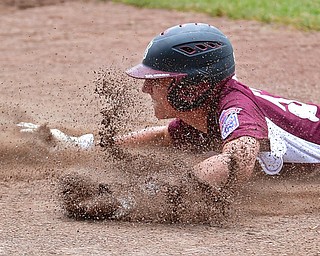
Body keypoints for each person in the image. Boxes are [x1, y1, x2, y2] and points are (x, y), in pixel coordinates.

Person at [18, 23, 320, 220]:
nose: (146, 88)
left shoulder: (235, 110)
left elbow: (238, 159)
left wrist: (153, 194)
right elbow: (163, 137)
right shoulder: (208, 106)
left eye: (157, 80)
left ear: (194, 86)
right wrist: (83, 144)